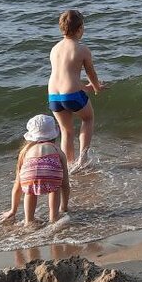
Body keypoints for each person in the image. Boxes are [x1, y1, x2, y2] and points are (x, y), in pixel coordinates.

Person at [48, 10, 102, 168]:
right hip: (71, 94)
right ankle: (83, 160)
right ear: (79, 29)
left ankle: (68, 166)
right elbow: (90, 72)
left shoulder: (55, 49)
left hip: (54, 96)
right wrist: (96, 86)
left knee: (66, 131)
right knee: (88, 118)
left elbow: (66, 76)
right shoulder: (82, 49)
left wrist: (84, 87)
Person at [0, 115, 70, 225]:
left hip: (29, 176)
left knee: (29, 191)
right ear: (54, 134)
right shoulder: (57, 150)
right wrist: (64, 207)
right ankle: (54, 217)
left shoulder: (25, 151)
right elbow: (65, 183)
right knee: (55, 188)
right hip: (52, 174)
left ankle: (29, 220)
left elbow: (17, 185)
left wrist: (13, 210)